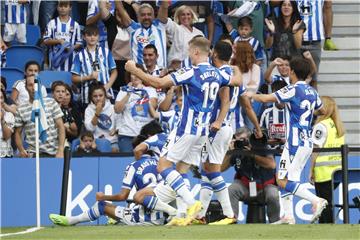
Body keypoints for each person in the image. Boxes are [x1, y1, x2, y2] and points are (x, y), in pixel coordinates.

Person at [125, 36, 242, 225]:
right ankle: (181, 215)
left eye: (189, 51)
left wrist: (134, 70)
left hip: (187, 129)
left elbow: (159, 83)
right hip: (203, 133)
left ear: (196, 52)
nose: (188, 55)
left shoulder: (190, 72)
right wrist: (236, 67)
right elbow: (236, 81)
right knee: (180, 171)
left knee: (163, 165)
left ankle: (190, 204)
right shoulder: (218, 74)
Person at [245, 57, 327, 224]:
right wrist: (309, 111)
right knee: (289, 178)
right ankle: (288, 216)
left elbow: (267, 99)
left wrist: (250, 94)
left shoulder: (293, 89)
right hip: (307, 142)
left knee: (282, 180)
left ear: (292, 72)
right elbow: (323, 110)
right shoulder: (313, 92)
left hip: (295, 143)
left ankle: (315, 200)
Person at [196, 40, 262, 225]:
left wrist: (217, 121)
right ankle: (201, 213)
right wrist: (256, 127)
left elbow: (224, 100)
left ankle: (229, 213)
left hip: (218, 126)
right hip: (226, 127)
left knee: (213, 169)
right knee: (206, 169)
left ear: (214, 54)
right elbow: (246, 105)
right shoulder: (233, 74)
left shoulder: (219, 75)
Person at [49, 135, 175, 226]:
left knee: (102, 206)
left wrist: (104, 196)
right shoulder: (164, 165)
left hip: (144, 218)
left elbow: (122, 196)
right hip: (164, 218)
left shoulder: (133, 166)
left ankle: (72, 220)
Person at [221, 127, 280, 223]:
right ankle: (231, 221)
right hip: (245, 187)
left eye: (243, 140)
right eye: (237, 140)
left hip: (264, 188)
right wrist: (230, 152)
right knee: (232, 189)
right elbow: (221, 168)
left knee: (273, 194)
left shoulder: (262, 146)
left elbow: (272, 165)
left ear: (250, 138)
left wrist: (251, 154)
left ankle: (275, 222)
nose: (241, 143)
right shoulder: (237, 150)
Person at [309, 96, 345, 223]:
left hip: (323, 172)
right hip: (338, 171)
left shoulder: (321, 126)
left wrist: (311, 170)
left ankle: (327, 228)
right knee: (327, 202)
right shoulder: (337, 126)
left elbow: (315, 150)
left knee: (323, 203)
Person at [14, 76, 65, 158]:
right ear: (26, 88)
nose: (34, 88)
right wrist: (21, 150)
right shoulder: (21, 109)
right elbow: (17, 133)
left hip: (54, 153)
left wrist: (60, 150)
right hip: (33, 154)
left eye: (36, 84)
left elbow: (61, 127)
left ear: (40, 86)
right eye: (30, 85)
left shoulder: (51, 102)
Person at [71, 24, 117, 110]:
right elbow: (74, 78)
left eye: (95, 35)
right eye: (89, 35)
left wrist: (107, 86)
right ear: (84, 37)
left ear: (98, 37)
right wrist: (89, 77)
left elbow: (114, 71)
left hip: (106, 93)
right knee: (89, 122)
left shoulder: (106, 52)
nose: (92, 37)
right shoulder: (79, 55)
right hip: (87, 96)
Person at [114, 64, 158, 153]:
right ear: (130, 76)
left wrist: (142, 92)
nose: (136, 76)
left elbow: (152, 106)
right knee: (127, 162)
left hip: (145, 135)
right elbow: (117, 109)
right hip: (126, 134)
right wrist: (129, 93)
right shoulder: (124, 91)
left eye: (138, 73)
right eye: (133, 74)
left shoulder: (150, 90)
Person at [115, 1, 169, 68]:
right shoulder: (133, 28)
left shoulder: (159, 26)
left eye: (149, 14)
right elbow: (120, 9)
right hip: (138, 75)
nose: (146, 17)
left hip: (159, 74)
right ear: (138, 16)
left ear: (154, 15)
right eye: (143, 15)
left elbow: (164, 6)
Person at [157, 2, 204, 69]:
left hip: (194, 68)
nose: (186, 17)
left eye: (188, 14)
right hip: (177, 67)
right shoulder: (176, 28)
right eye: (183, 14)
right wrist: (164, 6)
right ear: (178, 17)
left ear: (192, 16)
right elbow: (163, 19)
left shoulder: (199, 33)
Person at [43, 1, 82, 72]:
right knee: (55, 81)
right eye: (61, 6)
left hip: (71, 59)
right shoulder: (52, 23)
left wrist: (71, 48)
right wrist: (59, 41)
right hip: (55, 58)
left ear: (70, 8)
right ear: (57, 7)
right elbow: (45, 40)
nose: (63, 8)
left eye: (65, 6)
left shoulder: (75, 25)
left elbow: (79, 43)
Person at [84, 84, 118, 153]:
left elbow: (120, 123)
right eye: (95, 96)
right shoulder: (88, 110)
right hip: (96, 143)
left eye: (101, 95)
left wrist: (116, 129)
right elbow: (90, 129)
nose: (98, 98)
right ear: (91, 97)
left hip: (112, 142)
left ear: (105, 96)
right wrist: (97, 113)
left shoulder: (112, 108)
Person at [260, 80, 288, 149]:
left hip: (288, 151)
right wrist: (268, 141)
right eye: (276, 94)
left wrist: (285, 141)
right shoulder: (266, 112)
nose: (279, 97)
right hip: (270, 151)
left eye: (282, 93)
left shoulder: (293, 111)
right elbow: (262, 134)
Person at [0, 88, 15, 158]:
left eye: (1, 98)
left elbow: (7, 136)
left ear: (4, 100)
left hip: (6, 156)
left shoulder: (9, 115)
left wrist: (2, 119)